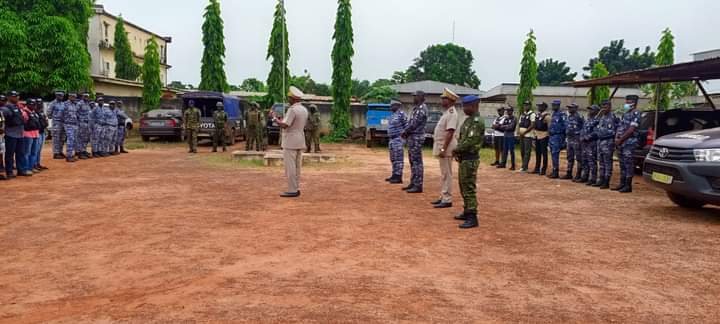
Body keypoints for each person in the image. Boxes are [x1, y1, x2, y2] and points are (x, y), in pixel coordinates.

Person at [453, 95, 485, 229]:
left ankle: (473, 217)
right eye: (463, 106)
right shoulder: (468, 121)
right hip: (464, 158)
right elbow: (462, 138)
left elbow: (470, 141)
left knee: (469, 187)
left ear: (474, 106)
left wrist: (456, 149)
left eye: (466, 106)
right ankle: (467, 211)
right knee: (463, 185)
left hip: (470, 159)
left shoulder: (477, 122)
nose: (464, 108)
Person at [271, 86, 308, 198]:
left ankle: (292, 190)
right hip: (300, 140)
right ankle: (296, 188)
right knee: (297, 167)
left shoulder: (292, 109)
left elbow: (285, 125)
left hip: (290, 142)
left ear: (294, 98)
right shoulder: (303, 109)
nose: (288, 99)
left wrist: (274, 118)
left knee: (290, 167)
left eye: (289, 98)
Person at [430, 88, 459, 209]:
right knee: (444, 174)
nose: (442, 100)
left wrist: (443, 148)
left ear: (450, 100)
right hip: (443, 147)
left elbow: (450, 132)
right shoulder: (447, 112)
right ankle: (443, 196)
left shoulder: (452, 113)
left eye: (444, 98)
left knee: (447, 174)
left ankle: (447, 199)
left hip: (446, 148)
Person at [613, 95, 641, 193]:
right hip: (621, 143)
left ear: (634, 103)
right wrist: (617, 138)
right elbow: (620, 127)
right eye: (626, 102)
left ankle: (628, 186)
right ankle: (622, 183)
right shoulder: (625, 114)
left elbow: (631, 130)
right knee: (622, 164)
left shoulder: (636, 113)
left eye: (629, 102)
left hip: (629, 142)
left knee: (628, 164)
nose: (627, 104)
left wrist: (620, 140)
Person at [401, 91, 428, 194]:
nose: (413, 98)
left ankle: (418, 185)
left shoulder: (422, 109)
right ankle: (413, 182)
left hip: (417, 137)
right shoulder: (416, 108)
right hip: (412, 137)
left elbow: (414, 123)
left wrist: (405, 131)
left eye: (415, 96)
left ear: (421, 97)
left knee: (417, 162)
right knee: (412, 161)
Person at [593, 100, 618, 189]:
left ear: (610, 106)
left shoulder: (612, 117)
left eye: (606, 106)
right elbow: (594, 123)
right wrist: (599, 114)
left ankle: (606, 181)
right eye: (602, 106)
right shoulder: (602, 117)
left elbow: (613, 131)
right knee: (601, 162)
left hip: (608, 142)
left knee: (607, 162)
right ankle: (601, 179)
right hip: (600, 142)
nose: (604, 108)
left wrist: (602, 133)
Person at [4, 91, 26, 178]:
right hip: (11, 134)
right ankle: (9, 172)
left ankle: (20, 170)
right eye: (14, 96)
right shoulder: (6, 108)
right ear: (9, 97)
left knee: (20, 153)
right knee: (10, 154)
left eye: (17, 96)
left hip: (20, 134)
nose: (17, 97)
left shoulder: (17, 106)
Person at [385, 98, 407, 184]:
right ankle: (394, 175)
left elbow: (407, 126)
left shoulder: (401, 114)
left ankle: (398, 177)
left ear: (398, 106)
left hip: (398, 139)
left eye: (392, 105)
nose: (391, 106)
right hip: (392, 139)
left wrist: (403, 137)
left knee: (398, 158)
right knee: (393, 158)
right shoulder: (392, 115)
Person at [579, 105, 600, 185]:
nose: (589, 111)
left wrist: (586, 137)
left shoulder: (597, 120)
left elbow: (596, 132)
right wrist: (581, 137)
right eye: (589, 109)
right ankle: (585, 176)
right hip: (584, 144)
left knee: (591, 161)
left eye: (591, 110)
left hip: (591, 144)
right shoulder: (588, 120)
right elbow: (583, 129)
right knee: (584, 160)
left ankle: (593, 178)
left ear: (596, 111)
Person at [563, 103, 584, 180]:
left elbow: (583, 128)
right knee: (569, 157)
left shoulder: (579, 117)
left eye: (571, 108)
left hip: (576, 139)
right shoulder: (569, 117)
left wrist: (580, 137)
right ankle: (569, 173)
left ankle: (578, 174)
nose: (569, 109)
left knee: (578, 157)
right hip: (569, 139)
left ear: (576, 108)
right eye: (569, 108)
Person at [548, 100, 567, 179]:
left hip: (558, 136)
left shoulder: (562, 114)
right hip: (552, 136)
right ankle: (554, 170)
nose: (553, 106)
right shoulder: (554, 114)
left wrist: (563, 138)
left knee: (555, 154)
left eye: (554, 105)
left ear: (558, 105)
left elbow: (565, 126)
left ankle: (556, 172)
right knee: (553, 154)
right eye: (552, 105)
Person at [20, 100, 40, 175]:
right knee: (26, 152)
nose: (33, 106)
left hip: (36, 134)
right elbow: (23, 123)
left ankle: (31, 167)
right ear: (27, 105)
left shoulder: (34, 112)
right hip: (27, 135)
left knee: (34, 152)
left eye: (34, 104)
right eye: (31, 104)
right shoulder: (24, 113)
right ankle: (25, 168)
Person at [532, 102, 550, 175]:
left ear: (544, 107)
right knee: (538, 153)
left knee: (544, 154)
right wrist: (534, 135)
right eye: (538, 106)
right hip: (537, 135)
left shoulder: (547, 116)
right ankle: (537, 168)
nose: (539, 107)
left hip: (544, 136)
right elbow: (535, 125)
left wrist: (548, 137)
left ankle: (543, 169)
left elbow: (549, 127)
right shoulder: (538, 115)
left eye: (540, 106)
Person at [517, 101, 536, 172]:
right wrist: (519, 132)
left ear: (530, 106)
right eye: (525, 105)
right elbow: (519, 124)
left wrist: (524, 132)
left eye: (527, 105)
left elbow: (532, 125)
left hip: (528, 135)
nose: (526, 106)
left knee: (527, 151)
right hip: (522, 135)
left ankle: (524, 167)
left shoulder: (532, 114)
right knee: (522, 151)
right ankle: (524, 165)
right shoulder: (522, 114)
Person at [48, 91, 66, 159]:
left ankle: (60, 152)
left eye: (62, 96)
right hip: (56, 123)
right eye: (59, 95)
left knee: (62, 138)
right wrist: (55, 118)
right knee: (56, 138)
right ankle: (56, 153)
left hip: (63, 123)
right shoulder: (53, 103)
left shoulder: (63, 104)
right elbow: (48, 114)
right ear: (56, 96)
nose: (61, 97)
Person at [498, 106, 517, 170]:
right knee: (504, 150)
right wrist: (506, 126)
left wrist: (504, 126)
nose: (508, 112)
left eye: (509, 110)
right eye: (507, 111)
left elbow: (511, 127)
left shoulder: (514, 118)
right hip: (505, 135)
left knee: (511, 151)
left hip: (511, 136)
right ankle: (503, 163)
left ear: (512, 111)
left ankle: (513, 165)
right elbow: (500, 126)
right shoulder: (506, 118)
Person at [32, 98, 49, 171]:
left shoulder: (42, 111)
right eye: (38, 103)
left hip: (42, 132)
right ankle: (34, 165)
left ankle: (38, 163)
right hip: (37, 133)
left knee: (39, 150)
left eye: (40, 103)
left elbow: (45, 121)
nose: (40, 104)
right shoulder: (34, 112)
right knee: (35, 150)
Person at [63, 93, 80, 162]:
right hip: (68, 124)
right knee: (70, 139)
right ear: (69, 97)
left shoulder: (75, 104)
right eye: (72, 96)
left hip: (75, 125)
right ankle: (68, 156)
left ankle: (72, 154)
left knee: (74, 140)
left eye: (74, 97)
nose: (73, 98)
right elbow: (61, 114)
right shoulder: (65, 104)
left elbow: (76, 114)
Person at [76, 93, 92, 159]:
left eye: (87, 96)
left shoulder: (87, 104)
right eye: (85, 96)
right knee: (80, 138)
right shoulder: (79, 104)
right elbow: (75, 112)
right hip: (81, 123)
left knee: (86, 138)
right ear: (82, 97)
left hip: (87, 124)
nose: (86, 98)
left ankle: (84, 150)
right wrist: (80, 119)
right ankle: (79, 152)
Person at [0, 95, 6, 180]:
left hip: (1, 135)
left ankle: (1, 167)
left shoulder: (1, 112)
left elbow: (2, 122)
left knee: (1, 152)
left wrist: (2, 129)